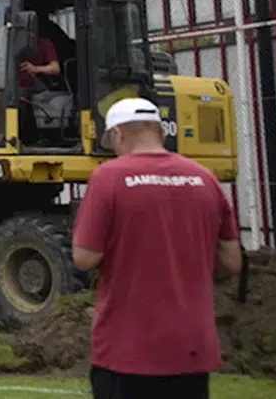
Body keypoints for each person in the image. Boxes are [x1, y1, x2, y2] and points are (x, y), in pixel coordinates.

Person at [71, 96, 242, 399]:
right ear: (162, 132)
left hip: (127, 348)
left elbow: (85, 258)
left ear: (118, 135)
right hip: (191, 348)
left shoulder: (108, 178)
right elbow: (231, 263)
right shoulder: (205, 179)